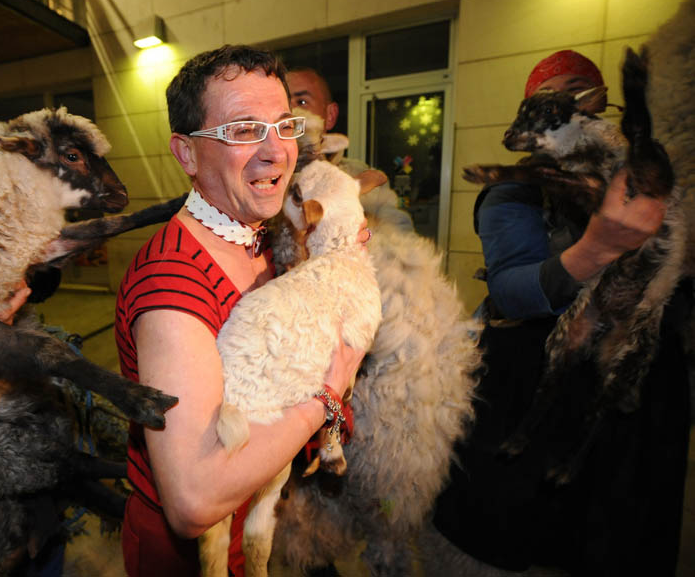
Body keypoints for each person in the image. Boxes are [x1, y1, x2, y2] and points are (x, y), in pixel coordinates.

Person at [431, 49, 691, 576]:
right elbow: (513, 289)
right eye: (556, 93)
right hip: (533, 382)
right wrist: (595, 248)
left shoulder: (641, 180)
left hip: (628, 397)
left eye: (585, 91)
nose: (576, 103)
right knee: (507, 538)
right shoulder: (514, 193)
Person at [114, 45, 368, 576]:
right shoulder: (172, 282)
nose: (277, 152)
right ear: (186, 154)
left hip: (249, 529)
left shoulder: (261, 238)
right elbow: (193, 502)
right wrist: (324, 397)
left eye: (283, 126)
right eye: (244, 131)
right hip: (187, 557)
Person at [286, 67, 414, 232]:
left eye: (302, 102)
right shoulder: (266, 178)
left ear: (330, 115)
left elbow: (402, 238)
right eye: (284, 104)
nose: (290, 114)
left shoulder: (364, 180)